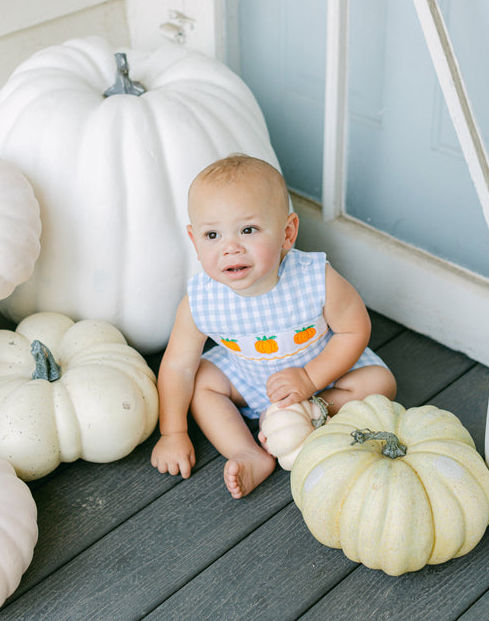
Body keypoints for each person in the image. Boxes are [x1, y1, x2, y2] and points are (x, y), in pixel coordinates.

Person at [151, 154, 396, 498]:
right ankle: (247, 451)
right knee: (202, 381)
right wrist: (172, 432)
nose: (230, 248)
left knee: (379, 383)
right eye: (212, 235)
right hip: (247, 377)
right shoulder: (200, 301)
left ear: (287, 232)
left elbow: (355, 330)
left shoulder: (315, 279)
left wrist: (310, 381)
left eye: (248, 230)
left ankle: (313, 414)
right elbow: (177, 366)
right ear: (194, 240)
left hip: (324, 372)